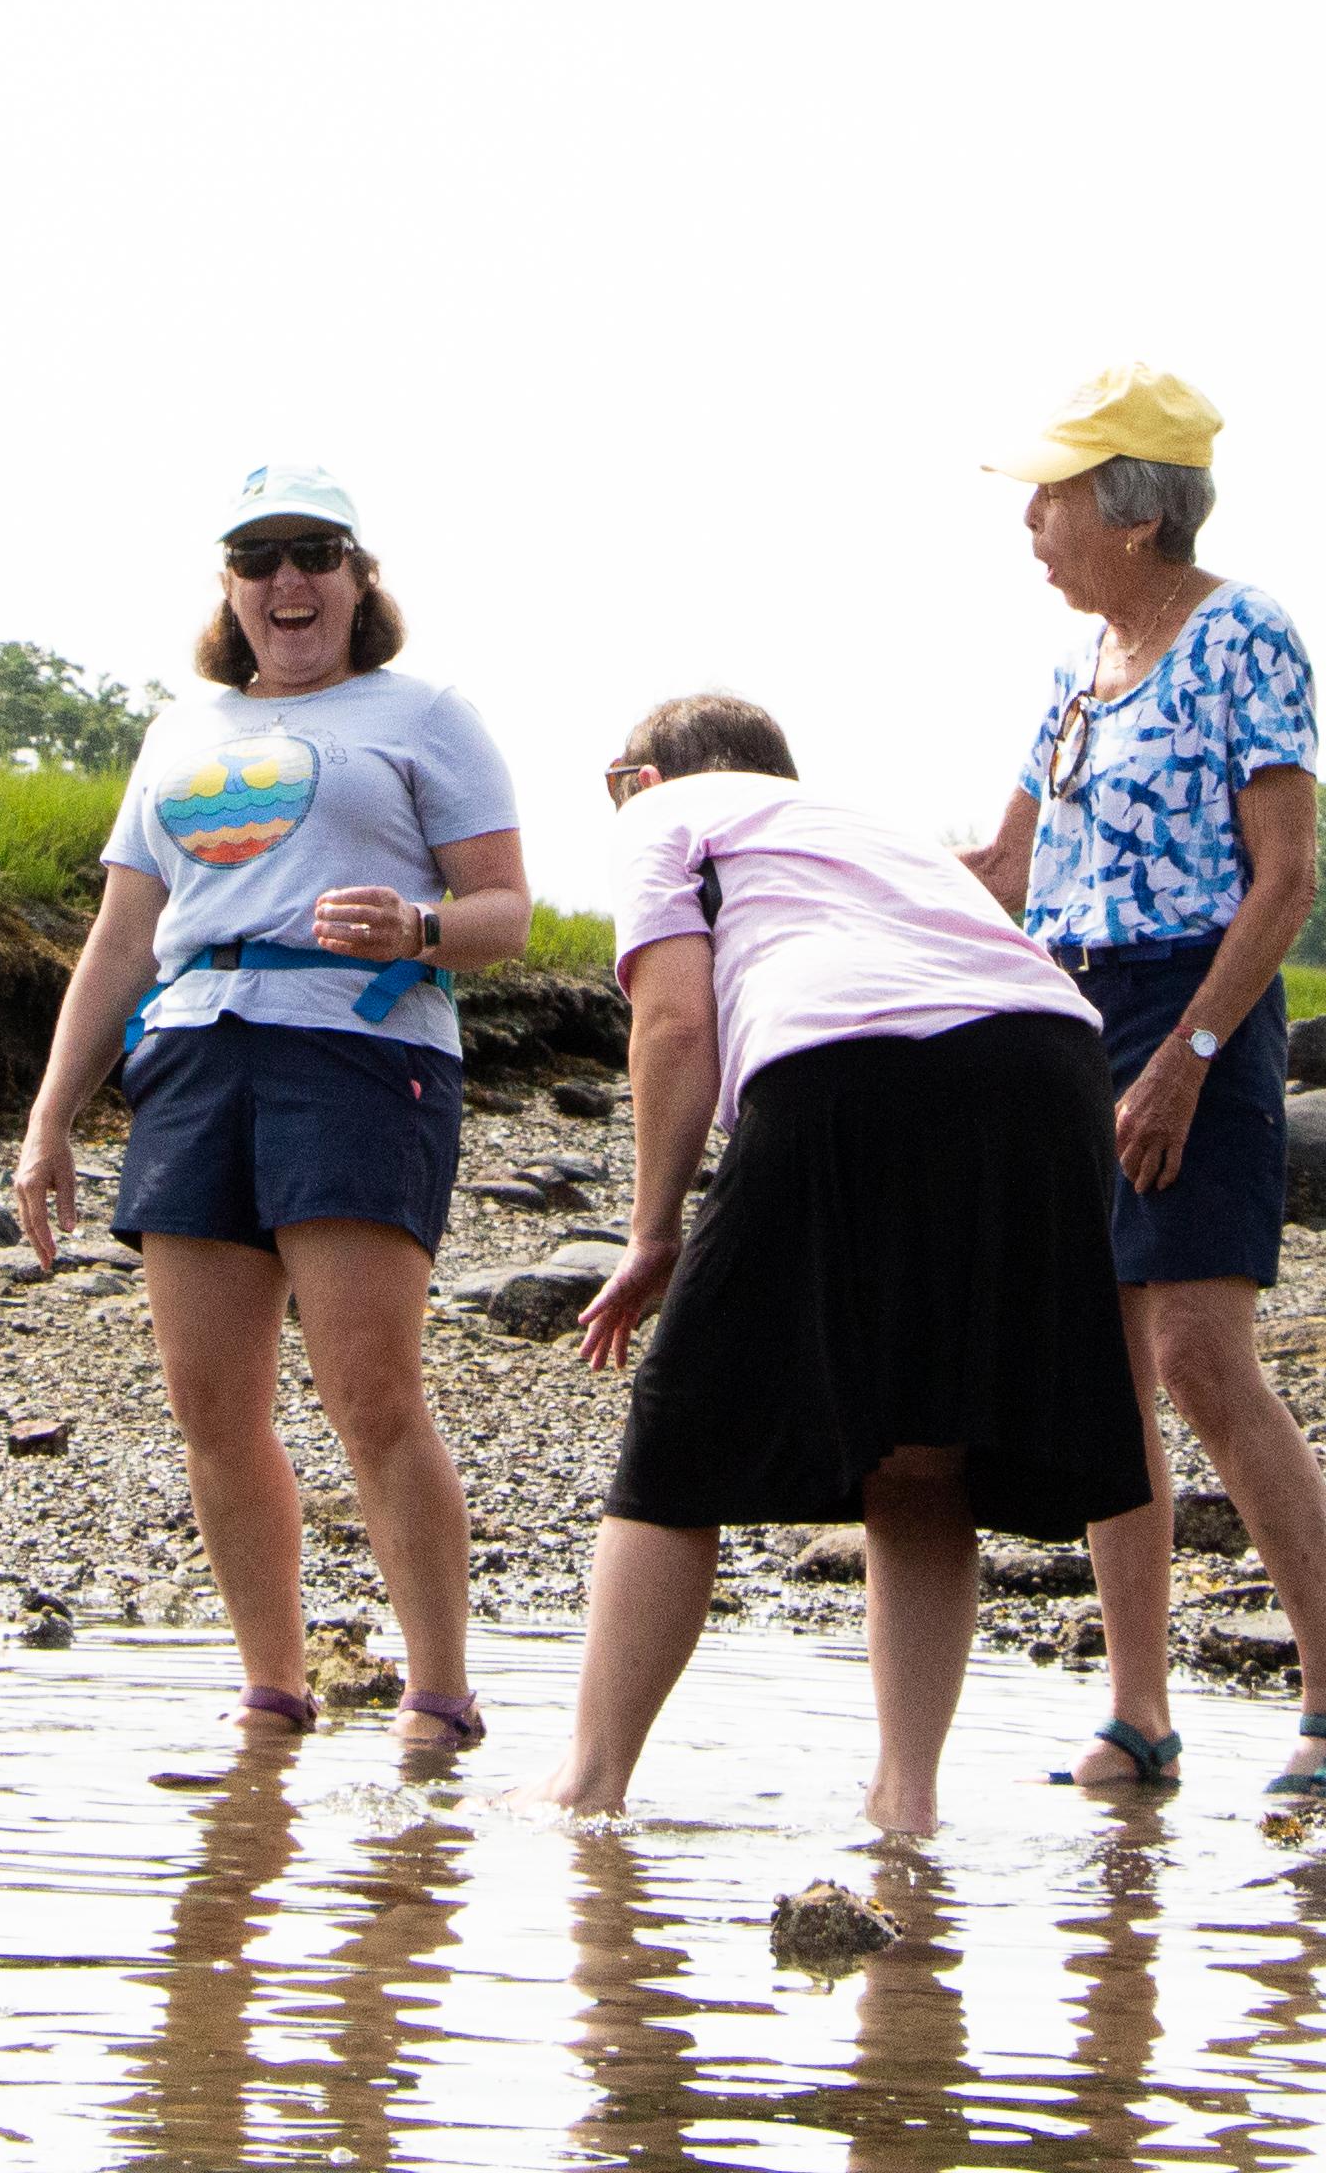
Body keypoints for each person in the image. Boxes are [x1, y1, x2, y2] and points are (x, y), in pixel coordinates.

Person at [543, 692, 1152, 1830]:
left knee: (678, 1435)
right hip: (1050, 1067)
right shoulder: (860, 827)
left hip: (853, 1062)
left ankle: (588, 1787)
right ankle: (905, 1804)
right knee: (924, 1450)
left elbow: (674, 1025)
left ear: (639, 777)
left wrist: (653, 1230)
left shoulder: (665, 816)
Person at [13, 463, 530, 1749]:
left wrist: (417, 925)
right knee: (210, 1404)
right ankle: (270, 1689)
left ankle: (438, 1694)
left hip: (358, 1056)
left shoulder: (426, 714)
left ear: (359, 577)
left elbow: (505, 915)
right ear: (229, 587)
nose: (287, 581)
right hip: (192, 1054)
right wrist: (50, 1118)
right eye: (259, 558)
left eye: (314, 553)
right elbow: (123, 937)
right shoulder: (181, 731)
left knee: (372, 1394)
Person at [958, 362, 1326, 1798]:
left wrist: (1189, 1061)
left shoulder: (1244, 639)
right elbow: (1011, 870)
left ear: (1133, 513)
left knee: (1203, 1358)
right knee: (1103, 1374)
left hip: (1195, 1006)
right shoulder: (1077, 670)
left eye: (1057, 493)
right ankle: (1138, 1712)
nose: (1033, 518)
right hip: (1068, 1015)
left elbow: (1286, 884)